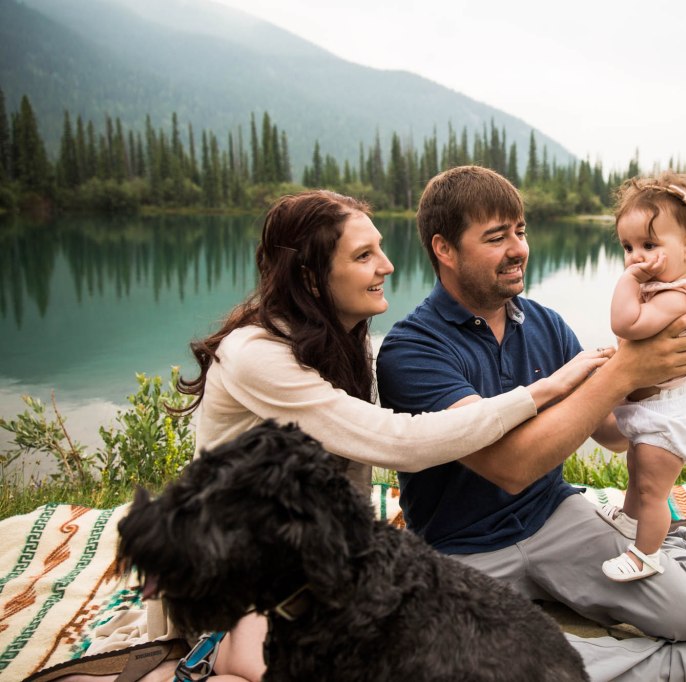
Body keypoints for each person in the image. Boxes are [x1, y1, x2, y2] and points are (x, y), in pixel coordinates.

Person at [54, 190, 609, 682]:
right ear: (312, 277)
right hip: (232, 565)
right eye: (363, 255)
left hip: (310, 559)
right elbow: (399, 442)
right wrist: (542, 391)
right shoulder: (257, 354)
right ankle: (195, 658)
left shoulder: (347, 340)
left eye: (381, 249)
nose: (387, 266)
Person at [377, 166, 686, 682]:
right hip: (462, 550)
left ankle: (677, 543)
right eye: (496, 237)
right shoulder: (412, 349)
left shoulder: (544, 324)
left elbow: (610, 435)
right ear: (444, 249)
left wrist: (661, 382)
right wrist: (622, 372)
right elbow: (508, 467)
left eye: (520, 231)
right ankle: (685, 663)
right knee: (440, 664)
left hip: (554, 516)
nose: (518, 249)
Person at [598, 173, 686, 583]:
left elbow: (626, 323)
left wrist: (627, 280)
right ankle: (630, 520)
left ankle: (646, 554)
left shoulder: (676, 296)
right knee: (637, 472)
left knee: (654, 490)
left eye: (649, 246)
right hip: (653, 408)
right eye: (628, 247)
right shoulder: (662, 290)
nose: (636, 257)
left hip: (667, 416)